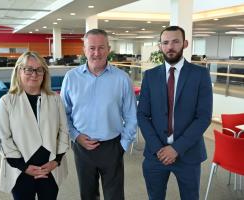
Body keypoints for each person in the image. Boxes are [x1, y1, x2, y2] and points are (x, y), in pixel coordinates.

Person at [137, 26, 213, 200]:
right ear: (160, 46)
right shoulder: (150, 76)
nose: (170, 47)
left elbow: (203, 117)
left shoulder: (200, 75)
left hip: (188, 154)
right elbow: (142, 115)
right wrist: (158, 149)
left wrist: (176, 149)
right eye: (165, 42)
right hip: (155, 155)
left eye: (175, 41)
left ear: (185, 44)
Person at [61, 29, 137, 200]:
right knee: (87, 195)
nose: (97, 53)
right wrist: (75, 136)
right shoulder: (71, 78)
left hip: (112, 146)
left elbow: (132, 116)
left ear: (108, 49)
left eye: (101, 47)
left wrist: (123, 145)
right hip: (82, 147)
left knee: (115, 196)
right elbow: (63, 114)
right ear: (84, 50)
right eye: (92, 48)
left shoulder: (122, 78)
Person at [0, 51, 69, 200]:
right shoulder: (7, 102)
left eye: (39, 69)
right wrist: (25, 167)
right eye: (28, 69)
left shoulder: (55, 99)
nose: (34, 74)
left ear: (44, 73)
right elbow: (4, 139)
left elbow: (64, 131)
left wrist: (56, 161)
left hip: (50, 169)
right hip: (20, 171)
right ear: (18, 71)